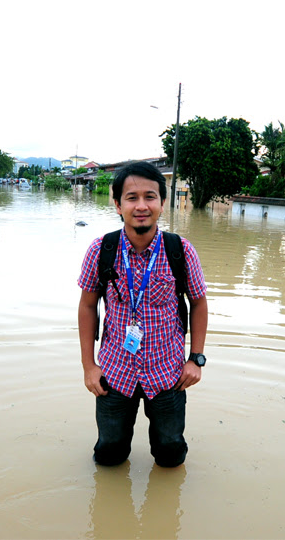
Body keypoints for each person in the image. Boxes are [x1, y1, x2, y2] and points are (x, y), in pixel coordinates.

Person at [77, 161, 208, 467]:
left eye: (150, 196)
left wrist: (196, 359)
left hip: (169, 374)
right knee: (108, 456)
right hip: (113, 374)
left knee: (171, 455)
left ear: (163, 203)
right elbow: (87, 306)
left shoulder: (181, 251)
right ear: (117, 204)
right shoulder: (101, 250)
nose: (141, 206)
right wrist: (88, 366)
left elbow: (199, 304)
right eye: (131, 197)